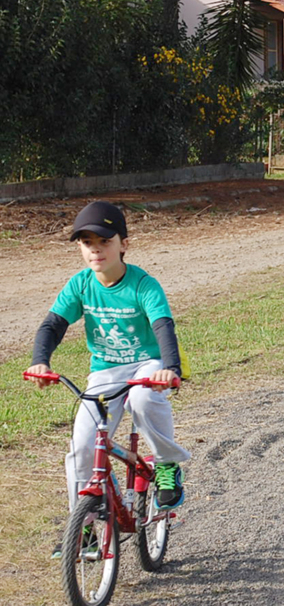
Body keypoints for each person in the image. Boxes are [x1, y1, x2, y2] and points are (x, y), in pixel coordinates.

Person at [26, 201, 190, 557]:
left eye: (104, 241)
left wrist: (171, 369)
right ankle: (83, 528)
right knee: (83, 447)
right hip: (106, 370)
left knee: (144, 399)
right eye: (87, 242)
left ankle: (165, 463)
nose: (95, 250)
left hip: (147, 364)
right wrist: (40, 362)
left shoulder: (143, 285)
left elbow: (163, 326)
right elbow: (52, 326)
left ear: (124, 244)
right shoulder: (81, 285)